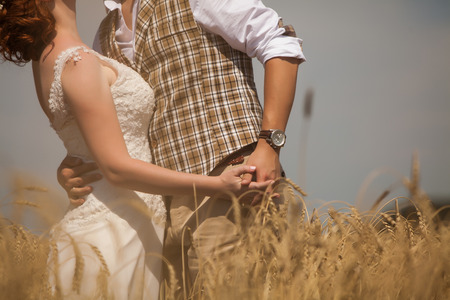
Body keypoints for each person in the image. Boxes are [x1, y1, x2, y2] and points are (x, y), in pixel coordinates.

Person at [0, 0, 271, 299]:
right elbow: (116, 167)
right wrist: (216, 184)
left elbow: (83, 140)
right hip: (115, 230)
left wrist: (67, 167)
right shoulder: (79, 61)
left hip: (126, 222)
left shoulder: (50, 61)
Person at [58, 0, 305, 294]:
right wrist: (73, 165)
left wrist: (269, 144)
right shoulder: (105, 34)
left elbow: (280, 42)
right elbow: (113, 124)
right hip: (163, 213)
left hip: (235, 187)